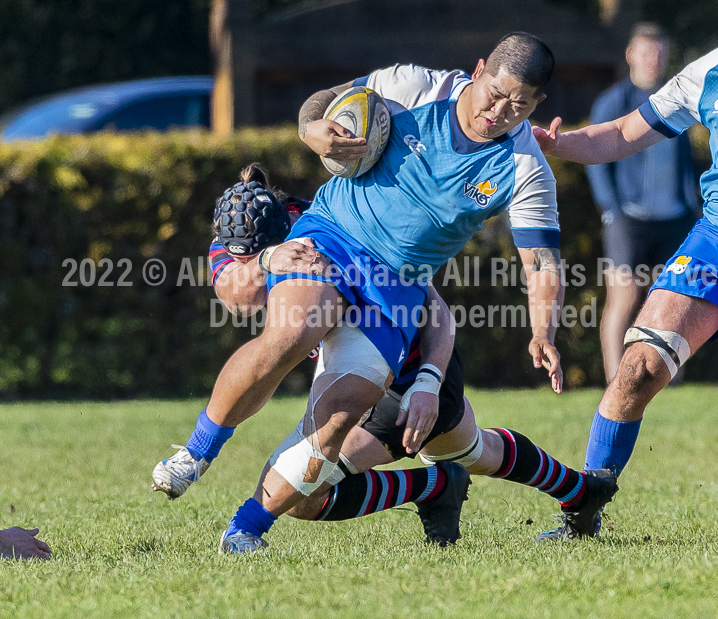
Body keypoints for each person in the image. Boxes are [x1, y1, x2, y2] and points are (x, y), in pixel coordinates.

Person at [154, 32, 583, 554]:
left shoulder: (524, 168)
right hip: (333, 238)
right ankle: (196, 452)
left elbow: (541, 261)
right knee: (293, 330)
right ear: (477, 70)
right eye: (494, 92)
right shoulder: (414, 86)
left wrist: (543, 330)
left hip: (398, 291)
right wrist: (314, 132)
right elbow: (322, 105)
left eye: (518, 105)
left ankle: (245, 530)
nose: (499, 110)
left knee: (337, 419)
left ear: (537, 104)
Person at [188, 165, 618, 547]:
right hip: (361, 375)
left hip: (411, 371)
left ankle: (247, 527)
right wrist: (263, 260)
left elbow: (438, 315)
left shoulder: (337, 230)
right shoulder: (242, 248)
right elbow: (237, 290)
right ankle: (576, 492)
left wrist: (428, 383)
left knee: (302, 486)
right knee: (473, 450)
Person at [533, 0, 718, 540]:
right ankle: (583, 511)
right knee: (638, 366)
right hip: (717, 245)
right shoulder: (709, 72)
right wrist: (557, 144)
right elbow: (623, 134)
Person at [586, 23, 699, 383]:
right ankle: (613, 380)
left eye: (661, 53)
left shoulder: (676, 99)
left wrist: (693, 203)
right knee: (624, 297)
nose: (655, 60)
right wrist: (611, 209)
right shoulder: (613, 102)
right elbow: (595, 156)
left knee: (676, 299)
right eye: (647, 52)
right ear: (631, 55)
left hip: (675, 217)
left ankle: (672, 381)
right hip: (627, 218)